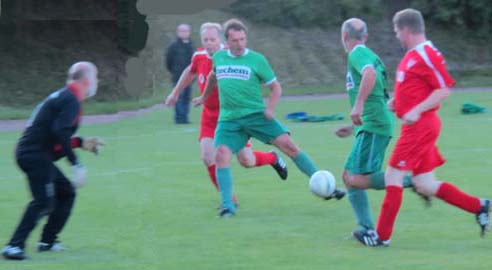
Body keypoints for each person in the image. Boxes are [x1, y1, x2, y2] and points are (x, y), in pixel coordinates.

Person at [353, 8, 490, 247]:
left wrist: (416, 110)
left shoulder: (427, 53)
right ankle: (480, 206)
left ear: (406, 29)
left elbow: (444, 88)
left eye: (396, 31)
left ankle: (381, 236)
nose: (396, 35)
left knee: (393, 175)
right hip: (417, 127)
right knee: (425, 184)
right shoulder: (412, 55)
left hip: (420, 127)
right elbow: (417, 87)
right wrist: (399, 101)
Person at [193, 19, 345, 218]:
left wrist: (271, 108)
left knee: (289, 146)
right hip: (229, 120)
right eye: (235, 40)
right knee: (221, 156)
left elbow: (276, 87)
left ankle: (326, 187)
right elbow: (213, 77)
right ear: (226, 42)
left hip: (257, 115)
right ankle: (228, 206)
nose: (240, 44)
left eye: (242, 39)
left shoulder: (257, 60)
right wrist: (204, 97)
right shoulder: (220, 57)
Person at [165, 22, 288, 205]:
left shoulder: (231, 57)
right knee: (207, 157)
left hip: (233, 117)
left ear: (222, 40)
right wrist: (175, 93)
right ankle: (229, 200)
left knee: (247, 160)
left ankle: (272, 158)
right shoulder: (199, 56)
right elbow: (189, 71)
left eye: (213, 39)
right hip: (209, 115)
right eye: (205, 39)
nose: (209, 43)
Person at [2, 62, 104, 260]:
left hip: (35, 153)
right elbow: (59, 131)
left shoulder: (67, 96)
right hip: (34, 154)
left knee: (66, 192)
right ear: (86, 80)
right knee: (43, 201)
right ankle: (13, 247)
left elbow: (56, 133)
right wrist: (77, 164)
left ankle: (47, 241)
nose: (97, 81)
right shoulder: (71, 99)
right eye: (96, 76)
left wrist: (80, 142)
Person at [336, 17, 417, 236]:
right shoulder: (371, 54)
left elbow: (369, 74)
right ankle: (366, 227)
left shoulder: (357, 53)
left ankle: (413, 181)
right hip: (371, 123)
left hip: (376, 125)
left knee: (356, 178)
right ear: (366, 36)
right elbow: (378, 94)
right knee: (348, 176)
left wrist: (358, 106)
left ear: (344, 37)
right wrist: (353, 126)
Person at [165, 24, 195, 124]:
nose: (184, 33)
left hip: (190, 77)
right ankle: (179, 118)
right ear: (178, 32)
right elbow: (168, 61)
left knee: (187, 97)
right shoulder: (173, 46)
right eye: (182, 31)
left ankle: (185, 118)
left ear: (189, 32)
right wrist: (174, 71)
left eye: (186, 31)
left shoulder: (191, 45)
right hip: (177, 76)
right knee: (178, 97)